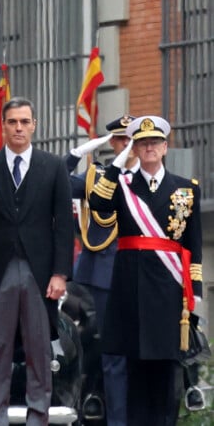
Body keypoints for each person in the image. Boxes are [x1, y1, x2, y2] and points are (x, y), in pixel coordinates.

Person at [0, 97, 74, 426]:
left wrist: (60, 273)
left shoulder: (53, 166)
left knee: (39, 352)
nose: (19, 128)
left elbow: (64, 226)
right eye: (12, 122)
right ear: (3, 125)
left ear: (34, 125)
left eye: (25, 122)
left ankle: (37, 419)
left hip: (40, 274)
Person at [89, 115, 203, 426]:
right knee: (135, 377)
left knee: (167, 378)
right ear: (135, 149)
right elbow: (98, 203)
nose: (149, 147)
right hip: (132, 290)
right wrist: (119, 161)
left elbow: (193, 250)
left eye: (154, 142)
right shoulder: (123, 186)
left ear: (166, 147)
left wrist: (196, 299)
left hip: (168, 293)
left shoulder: (186, 189)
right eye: (142, 143)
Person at [65, 114, 138, 426]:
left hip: (145, 275)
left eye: (133, 139)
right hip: (104, 274)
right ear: (113, 143)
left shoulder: (156, 178)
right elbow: (53, 179)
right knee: (113, 355)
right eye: (121, 139)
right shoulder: (95, 178)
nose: (128, 145)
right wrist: (78, 154)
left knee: (150, 354)